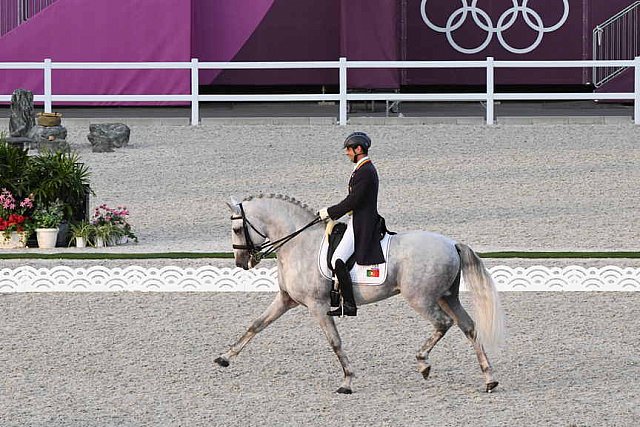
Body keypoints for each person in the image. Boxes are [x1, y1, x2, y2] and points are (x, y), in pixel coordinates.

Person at [318, 132, 386, 317]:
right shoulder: (362, 168)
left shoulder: (365, 171)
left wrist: (329, 212)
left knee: (337, 259)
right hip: (356, 218)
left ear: (358, 149)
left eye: (349, 149)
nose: (347, 153)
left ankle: (349, 304)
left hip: (362, 222)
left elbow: (353, 201)